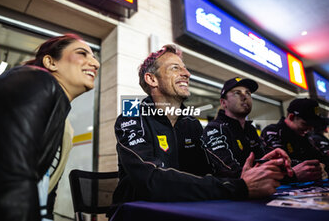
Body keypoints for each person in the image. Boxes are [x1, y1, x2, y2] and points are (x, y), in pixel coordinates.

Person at [110, 45, 292, 215]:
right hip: (138, 213)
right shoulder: (131, 116)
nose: (187, 74)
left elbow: (209, 172)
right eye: (175, 68)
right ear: (152, 79)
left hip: (184, 209)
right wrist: (238, 186)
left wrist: (259, 167)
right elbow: (151, 180)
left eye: (185, 68)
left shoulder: (191, 123)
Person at [0, 34, 100, 221]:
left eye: (94, 56)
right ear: (51, 62)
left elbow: (47, 192)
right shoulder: (36, 80)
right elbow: (8, 181)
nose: (95, 63)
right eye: (82, 53)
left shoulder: (64, 126)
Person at [201, 77, 292, 179]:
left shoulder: (250, 130)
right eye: (237, 93)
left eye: (248, 93)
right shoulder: (215, 129)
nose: (245, 96)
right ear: (223, 102)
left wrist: (284, 166)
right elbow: (228, 169)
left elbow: (262, 159)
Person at [261, 98, 329, 181]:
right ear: (291, 116)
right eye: (306, 124)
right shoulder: (273, 132)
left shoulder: (306, 137)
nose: (310, 128)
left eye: (313, 125)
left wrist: (322, 166)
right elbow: (279, 162)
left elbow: (320, 158)